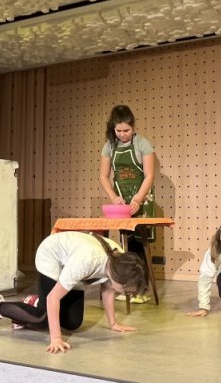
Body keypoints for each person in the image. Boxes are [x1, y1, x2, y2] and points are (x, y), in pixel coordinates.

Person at [0, 231, 147, 353]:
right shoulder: (87, 261)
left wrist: (113, 323)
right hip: (52, 256)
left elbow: (108, 289)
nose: (127, 294)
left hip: (71, 264)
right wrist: (56, 338)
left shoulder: (119, 260)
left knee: (72, 323)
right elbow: (53, 299)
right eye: (127, 291)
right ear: (118, 279)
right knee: (42, 317)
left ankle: (33, 304)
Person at [99, 104, 155, 303]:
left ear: (133, 127)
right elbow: (104, 176)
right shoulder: (109, 146)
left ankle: (142, 290)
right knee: (126, 243)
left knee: (140, 243)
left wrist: (138, 198)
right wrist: (114, 198)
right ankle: (128, 289)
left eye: (126, 130)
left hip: (142, 197)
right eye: (118, 131)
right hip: (122, 198)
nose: (122, 134)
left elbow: (149, 175)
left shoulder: (143, 144)